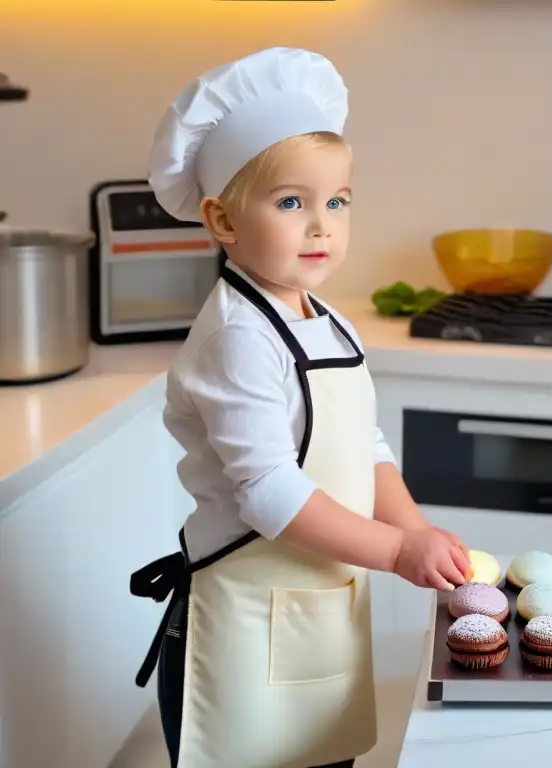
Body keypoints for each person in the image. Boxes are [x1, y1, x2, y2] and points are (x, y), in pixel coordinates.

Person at [129, 47, 470, 768]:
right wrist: (396, 551)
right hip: (245, 624)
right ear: (222, 219)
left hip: (318, 608)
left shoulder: (325, 318)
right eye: (291, 202)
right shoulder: (237, 337)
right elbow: (267, 491)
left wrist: (415, 528)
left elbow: (362, 444)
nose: (322, 225)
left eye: (337, 201)